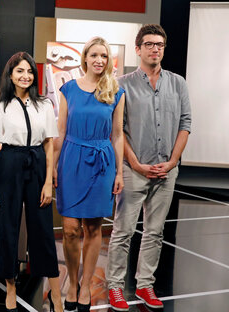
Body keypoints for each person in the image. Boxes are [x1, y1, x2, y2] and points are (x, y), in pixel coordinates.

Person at [106, 24, 191, 311]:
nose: (156, 49)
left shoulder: (178, 83)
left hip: (166, 171)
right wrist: (136, 163)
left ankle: (145, 285)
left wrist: (172, 161)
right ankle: (115, 288)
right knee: (123, 231)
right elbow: (116, 130)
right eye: (150, 44)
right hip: (134, 169)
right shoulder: (121, 84)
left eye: (160, 45)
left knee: (155, 232)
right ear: (138, 48)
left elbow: (185, 124)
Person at [0, 52, 63, 312]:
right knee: (7, 229)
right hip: (9, 163)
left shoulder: (44, 105)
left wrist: (47, 183)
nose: (25, 76)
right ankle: (10, 286)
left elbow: (49, 144)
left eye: (29, 71)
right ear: (10, 75)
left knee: (42, 229)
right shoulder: (0, 107)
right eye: (19, 71)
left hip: (37, 163)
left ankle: (55, 291)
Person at [53, 37, 125, 312]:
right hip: (72, 160)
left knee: (93, 228)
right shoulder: (67, 89)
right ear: (84, 58)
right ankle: (71, 282)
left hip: (102, 163)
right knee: (70, 229)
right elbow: (59, 132)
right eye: (94, 55)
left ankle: (85, 286)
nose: (99, 60)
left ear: (108, 61)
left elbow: (117, 135)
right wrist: (54, 169)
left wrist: (119, 172)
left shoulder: (116, 91)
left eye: (104, 56)